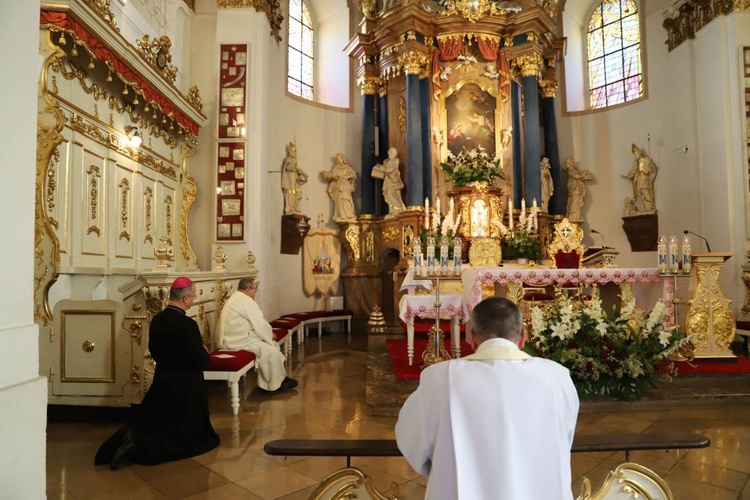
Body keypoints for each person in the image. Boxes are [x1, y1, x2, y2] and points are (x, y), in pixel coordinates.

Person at [395, 297, 579, 500]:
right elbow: (564, 437)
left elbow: (411, 441)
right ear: (523, 337)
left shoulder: (439, 377)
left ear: (472, 337)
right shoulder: (557, 377)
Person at [95, 277, 220, 470]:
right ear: (186, 298)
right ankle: (137, 447)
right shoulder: (188, 325)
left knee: (155, 422)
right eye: (193, 296)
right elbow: (201, 360)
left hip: (162, 382)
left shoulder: (157, 320)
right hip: (186, 386)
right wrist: (203, 351)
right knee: (200, 439)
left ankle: (131, 439)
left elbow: (153, 349)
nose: (193, 300)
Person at [216, 277, 298, 393]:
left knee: (267, 346)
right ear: (248, 288)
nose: (256, 292)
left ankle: (278, 378)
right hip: (240, 340)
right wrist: (270, 335)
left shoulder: (235, 298)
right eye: (255, 289)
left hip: (233, 337)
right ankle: (276, 383)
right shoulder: (246, 301)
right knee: (271, 351)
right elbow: (260, 323)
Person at [622, 144, 657, 214]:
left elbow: (653, 169)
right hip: (638, 181)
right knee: (640, 195)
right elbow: (633, 171)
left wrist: (651, 168)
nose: (635, 156)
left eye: (636, 154)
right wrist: (627, 176)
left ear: (639, 153)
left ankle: (649, 208)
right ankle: (643, 209)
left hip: (644, 180)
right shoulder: (636, 162)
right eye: (634, 155)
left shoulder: (647, 159)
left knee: (645, 193)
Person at [322, 153, 357, 223]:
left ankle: (349, 214)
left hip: (345, 187)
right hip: (337, 187)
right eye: (337, 159)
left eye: (339, 158)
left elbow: (353, 174)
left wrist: (347, 177)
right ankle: (341, 216)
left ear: (343, 159)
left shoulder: (348, 168)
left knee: (346, 199)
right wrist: (329, 175)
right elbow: (332, 176)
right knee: (339, 201)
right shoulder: (335, 168)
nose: (338, 160)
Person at [376, 147, 406, 217]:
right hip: (387, 181)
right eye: (389, 153)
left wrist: (384, 169)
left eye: (391, 153)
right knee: (388, 196)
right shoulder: (387, 161)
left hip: (393, 181)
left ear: (394, 154)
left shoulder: (396, 160)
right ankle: (391, 211)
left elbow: (391, 169)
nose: (389, 154)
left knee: (392, 195)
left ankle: (398, 209)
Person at [281, 142, 308, 215]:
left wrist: (302, 173)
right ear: (290, 151)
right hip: (289, 177)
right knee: (290, 192)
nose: (295, 152)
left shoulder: (294, 160)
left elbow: (296, 168)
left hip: (294, 177)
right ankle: (289, 208)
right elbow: (286, 168)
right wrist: (292, 167)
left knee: (296, 192)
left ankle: (295, 207)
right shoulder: (288, 159)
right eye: (294, 151)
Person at [564, 157, 593, 222]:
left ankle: (576, 216)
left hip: (578, 188)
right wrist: (584, 174)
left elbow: (579, 177)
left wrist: (585, 176)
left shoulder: (574, 169)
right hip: (573, 188)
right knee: (574, 202)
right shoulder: (570, 171)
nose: (567, 164)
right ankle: (572, 215)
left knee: (577, 202)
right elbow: (577, 176)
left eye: (568, 162)